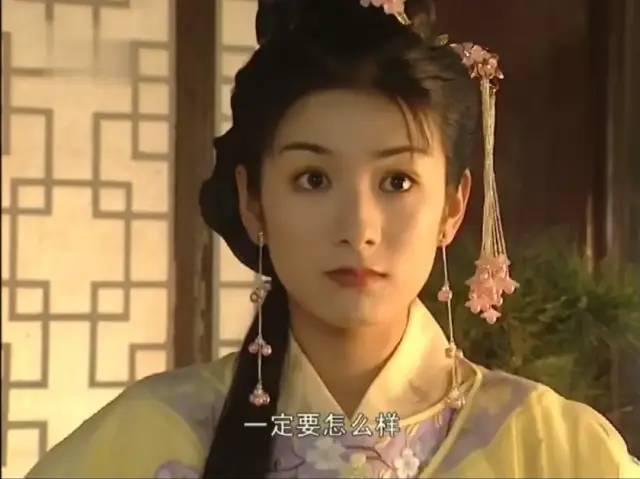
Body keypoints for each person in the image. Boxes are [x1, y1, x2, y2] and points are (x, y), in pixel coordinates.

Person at [26, 0, 639, 478]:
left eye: (397, 181)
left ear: (453, 207)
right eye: (313, 179)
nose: (358, 228)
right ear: (254, 200)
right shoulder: (144, 439)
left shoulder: (555, 449)